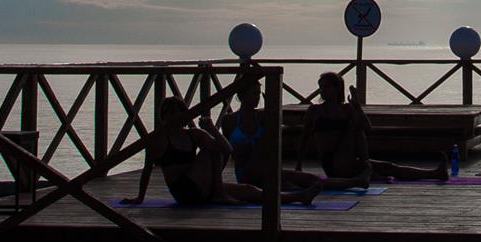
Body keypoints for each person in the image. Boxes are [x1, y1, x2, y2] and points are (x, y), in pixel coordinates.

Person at [135, 96, 317, 206]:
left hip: (205, 186)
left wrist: (212, 129)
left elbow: (227, 150)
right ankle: (219, 194)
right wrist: (139, 197)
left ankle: (299, 196)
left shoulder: (193, 134)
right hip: (184, 191)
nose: (173, 117)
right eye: (169, 113)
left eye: (177, 113)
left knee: (248, 190)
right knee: (210, 150)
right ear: (163, 116)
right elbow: (147, 170)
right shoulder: (159, 139)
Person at [296, 71, 447, 189]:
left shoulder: (347, 109)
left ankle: (435, 173)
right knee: (355, 127)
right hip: (333, 163)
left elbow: (368, 128)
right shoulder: (315, 111)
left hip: (351, 159)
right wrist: (298, 164)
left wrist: (356, 105)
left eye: (326, 87)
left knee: (389, 167)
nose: (322, 91)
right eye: (321, 87)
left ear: (336, 89)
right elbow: (305, 137)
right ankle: (368, 168)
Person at [217, 72, 323, 194]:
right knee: (260, 146)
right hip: (246, 172)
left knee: (312, 179)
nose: (257, 97)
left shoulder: (261, 116)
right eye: (253, 94)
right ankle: (290, 187)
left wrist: (271, 108)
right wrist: (217, 177)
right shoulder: (229, 120)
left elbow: (275, 138)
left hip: (268, 169)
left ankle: (349, 182)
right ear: (241, 96)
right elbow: (225, 151)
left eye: (258, 94)